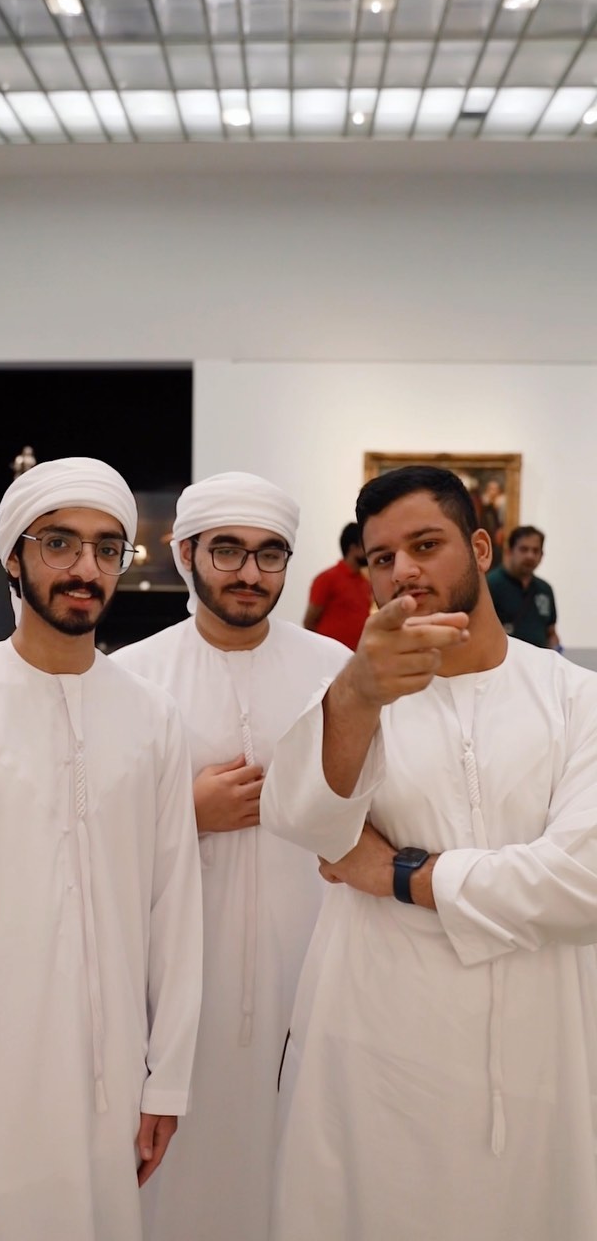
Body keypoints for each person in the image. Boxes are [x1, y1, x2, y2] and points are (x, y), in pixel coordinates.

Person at [261, 465, 597, 1241]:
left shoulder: (575, 699)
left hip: (535, 1053)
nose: (403, 571)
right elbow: (303, 820)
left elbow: (582, 884)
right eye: (381, 558)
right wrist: (358, 694)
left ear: (479, 549)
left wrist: (401, 874)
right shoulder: (354, 696)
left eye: (425, 545)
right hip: (376, 1048)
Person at [0, 457, 202, 1241]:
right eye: (59, 543)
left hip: (110, 1100)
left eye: (106, 548)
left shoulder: (152, 718)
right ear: (13, 558)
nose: (85, 568)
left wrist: (166, 1083)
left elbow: (175, 914)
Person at [112, 472, 349, 1241]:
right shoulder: (131, 677)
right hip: (177, 980)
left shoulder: (334, 671)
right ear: (184, 553)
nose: (250, 573)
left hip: (309, 967)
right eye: (227, 551)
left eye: (269, 554)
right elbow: (81, 838)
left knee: (302, 1161)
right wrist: (186, 815)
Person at [487, 524, 560, 648]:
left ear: (541, 555)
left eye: (535, 551)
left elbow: (551, 632)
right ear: (509, 551)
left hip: (539, 659)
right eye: (523, 549)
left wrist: (556, 651)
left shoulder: (545, 589)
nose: (530, 556)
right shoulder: (490, 585)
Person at [303, 522, 373, 649]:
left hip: (356, 655)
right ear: (353, 548)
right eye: (365, 546)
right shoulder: (327, 578)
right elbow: (309, 622)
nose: (369, 552)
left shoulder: (365, 582)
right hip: (328, 655)